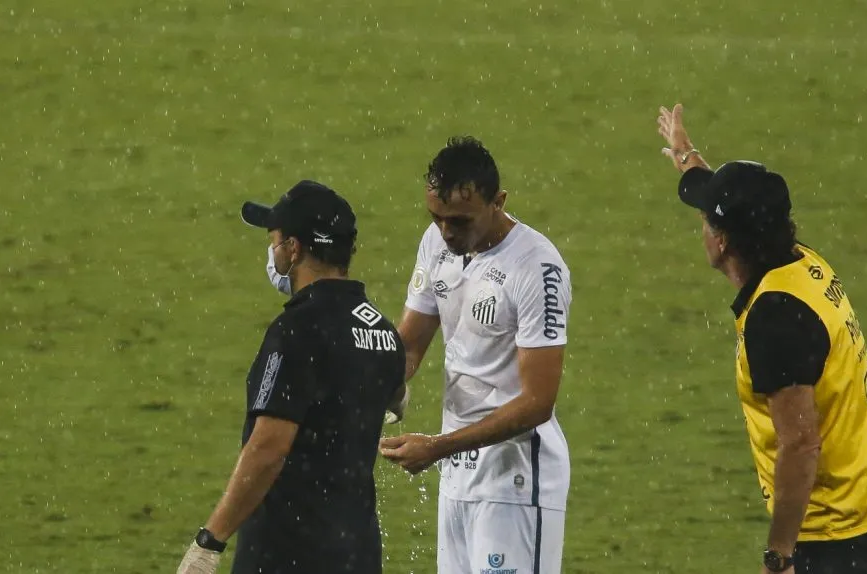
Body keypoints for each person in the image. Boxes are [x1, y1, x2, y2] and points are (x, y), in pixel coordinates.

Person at [656, 103, 867, 574]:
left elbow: (801, 444)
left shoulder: (775, 319)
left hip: (836, 536)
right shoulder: (799, 262)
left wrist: (779, 556)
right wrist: (685, 151)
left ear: (722, 241)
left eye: (708, 222)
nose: (702, 227)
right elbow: (713, 197)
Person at [176, 180, 406, 574]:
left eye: (275, 240)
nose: (272, 251)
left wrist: (210, 540)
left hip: (288, 554)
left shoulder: (297, 330)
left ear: (294, 249)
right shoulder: (383, 333)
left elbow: (268, 448)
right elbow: (392, 395)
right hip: (357, 553)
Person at [378, 136, 572, 574]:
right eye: (437, 218)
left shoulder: (537, 269)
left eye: (460, 221)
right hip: (458, 478)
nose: (447, 232)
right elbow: (408, 346)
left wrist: (439, 447)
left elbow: (538, 402)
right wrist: (377, 383)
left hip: (517, 482)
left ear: (498, 202)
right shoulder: (437, 243)